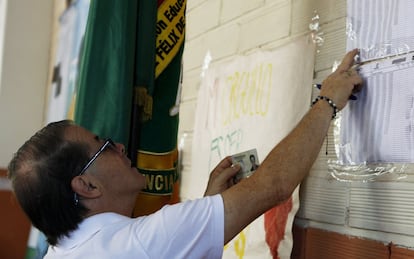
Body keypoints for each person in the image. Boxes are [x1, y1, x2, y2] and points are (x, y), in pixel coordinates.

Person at [7, 49, 363, 258]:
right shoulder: (141, 242)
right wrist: (328, 100)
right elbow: (275, 184)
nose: (120, 146)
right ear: (86, 185)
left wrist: (209, 203)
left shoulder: (65, 251)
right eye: (103, 147)